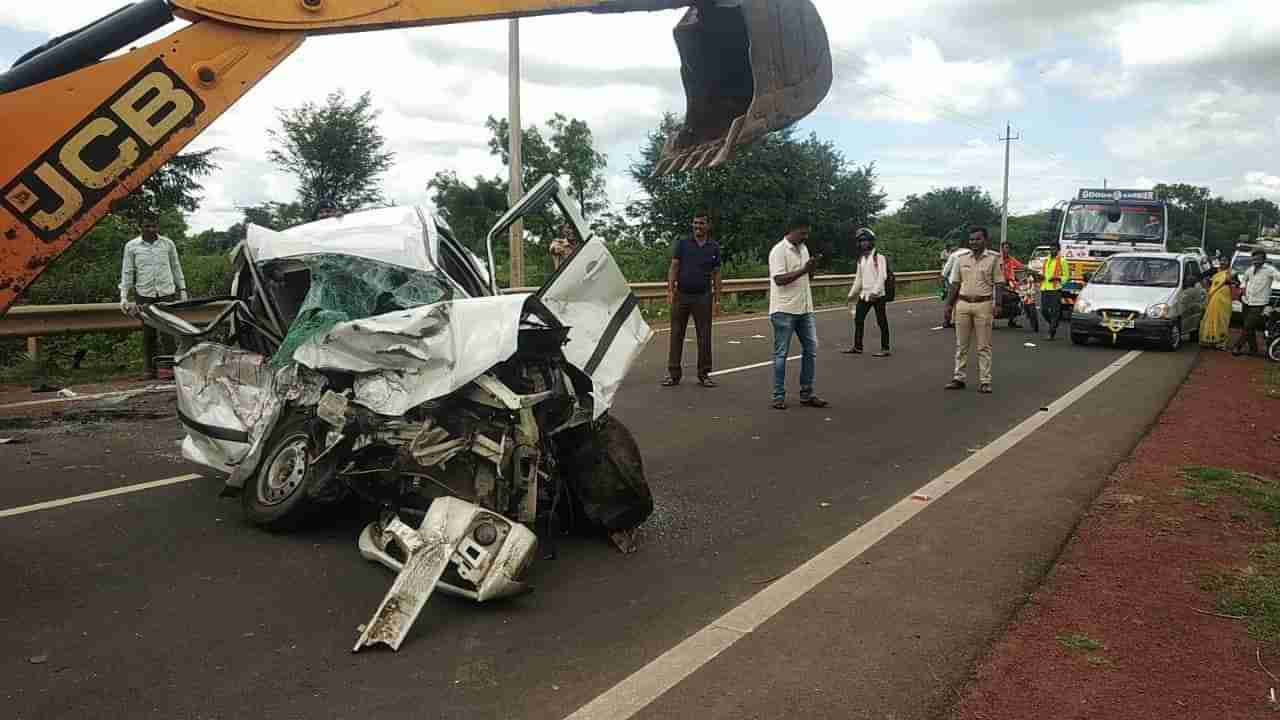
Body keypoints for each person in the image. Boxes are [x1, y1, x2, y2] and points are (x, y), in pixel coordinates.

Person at [768, 217, 827, 409]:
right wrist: (804, 270)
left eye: (807, 233)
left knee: (811, 349)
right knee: (781, 354)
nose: (805, 236)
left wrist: (812, 268)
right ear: (791, 230)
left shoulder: (803, 248)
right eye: (802, 233)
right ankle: (778, 396)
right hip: (784, 310)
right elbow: (779, 279)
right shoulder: (779, 251)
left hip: (805, 308)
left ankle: (807, 393)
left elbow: (808, 276)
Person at [120, 213, 188, 379]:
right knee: (148, 333)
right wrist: (124, 296)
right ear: (140, 227)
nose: (151, 229)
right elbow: (127, 271)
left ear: (158, 226)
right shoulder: (131, 246)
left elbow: (175, 266)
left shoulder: (167, 244)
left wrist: (183, 289)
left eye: (154, 226)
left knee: (168, 332)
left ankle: (172, 369)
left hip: (166, 292)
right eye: (147, 226)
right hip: (144, 293)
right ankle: (149, 370)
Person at [663, 210, 722, 387]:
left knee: (704, 336)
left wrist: (717, 299)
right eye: (695, 223)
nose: (697, 226)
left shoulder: (714, 247)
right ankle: (674, 374)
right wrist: (670, 290)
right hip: (681, 295)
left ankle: (704, 374)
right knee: (676, 334)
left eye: (701, 223)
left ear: (708, 226)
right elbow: (674, 266)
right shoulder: (682, 243)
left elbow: (717, 274)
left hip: (703, 296)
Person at [944, 226, 1005, 394]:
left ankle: (985, 381)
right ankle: (958, 378)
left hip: (983, 304)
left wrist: (998, 304)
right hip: (963, 304)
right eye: (971, 239)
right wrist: (949, 305)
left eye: (977, 239)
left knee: (983, 346)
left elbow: (999, 283)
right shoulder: (961, 259)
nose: (974, 242)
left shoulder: (993, 259)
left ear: (985, 240)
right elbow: (955, 283)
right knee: (961, 345)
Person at [843, 227, 891, 357]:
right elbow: (858, 279)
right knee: (858, 319)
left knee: (881, 321)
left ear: (871, 241)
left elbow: (882, 276)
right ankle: (858, 347)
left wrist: (875, 293)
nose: (863, 243)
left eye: (866, 240)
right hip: (864, 295)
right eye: (861, 241)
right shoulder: (861, 259)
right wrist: (851, 295)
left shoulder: (879, 257)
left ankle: (885, 348)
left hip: (878, 296)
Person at [1232, 250, 1280, 357]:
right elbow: (1244, 281)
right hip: (1246, 301)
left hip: (1259, 303)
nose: (1256, 261)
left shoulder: (1270, 270)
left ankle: (1237, 346)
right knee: (1249, 327)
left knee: (1248, 326)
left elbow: (1278, 277)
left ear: (1264, 259)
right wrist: (1243, 289)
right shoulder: (1250, 269)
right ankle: (1254, 349)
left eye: (1259, 259)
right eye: (1254, 258)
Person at [1199, 257, 1236, 350]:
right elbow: (1201, 276)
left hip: (1225, 300)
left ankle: (1220, 343)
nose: (1223, 262)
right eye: (1222, 261)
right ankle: (1207, 340)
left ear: (1229, 262)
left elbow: (1237, 284)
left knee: (1223, 320)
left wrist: (1230, 281)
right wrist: (1207, 285)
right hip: (1213, 298)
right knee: (1210, 318)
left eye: (1225, 261)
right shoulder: (1213, 270)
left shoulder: (1232, 273)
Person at [1035, 243, 1070, 340]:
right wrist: (1039, 276)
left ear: (1058, 250)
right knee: (1044, 310)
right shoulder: (1046, 260)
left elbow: (1066, 276)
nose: (1052, 251)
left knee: (1055, 312)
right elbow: (1043, 273)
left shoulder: (1062, 261)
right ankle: (1053, 324)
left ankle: (1051, 332)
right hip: (1045, 288)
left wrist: (1058, 278)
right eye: (1051, 249)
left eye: (1054, 249)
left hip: (1055, 289)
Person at [941, 244, 971, 327]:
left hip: (954, 282)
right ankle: (956, 320)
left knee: (950, 302)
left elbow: (945, 271)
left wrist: (943, 282)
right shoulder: (971, 253)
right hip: (967, 282)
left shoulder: (954, 255)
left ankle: (947, 321)